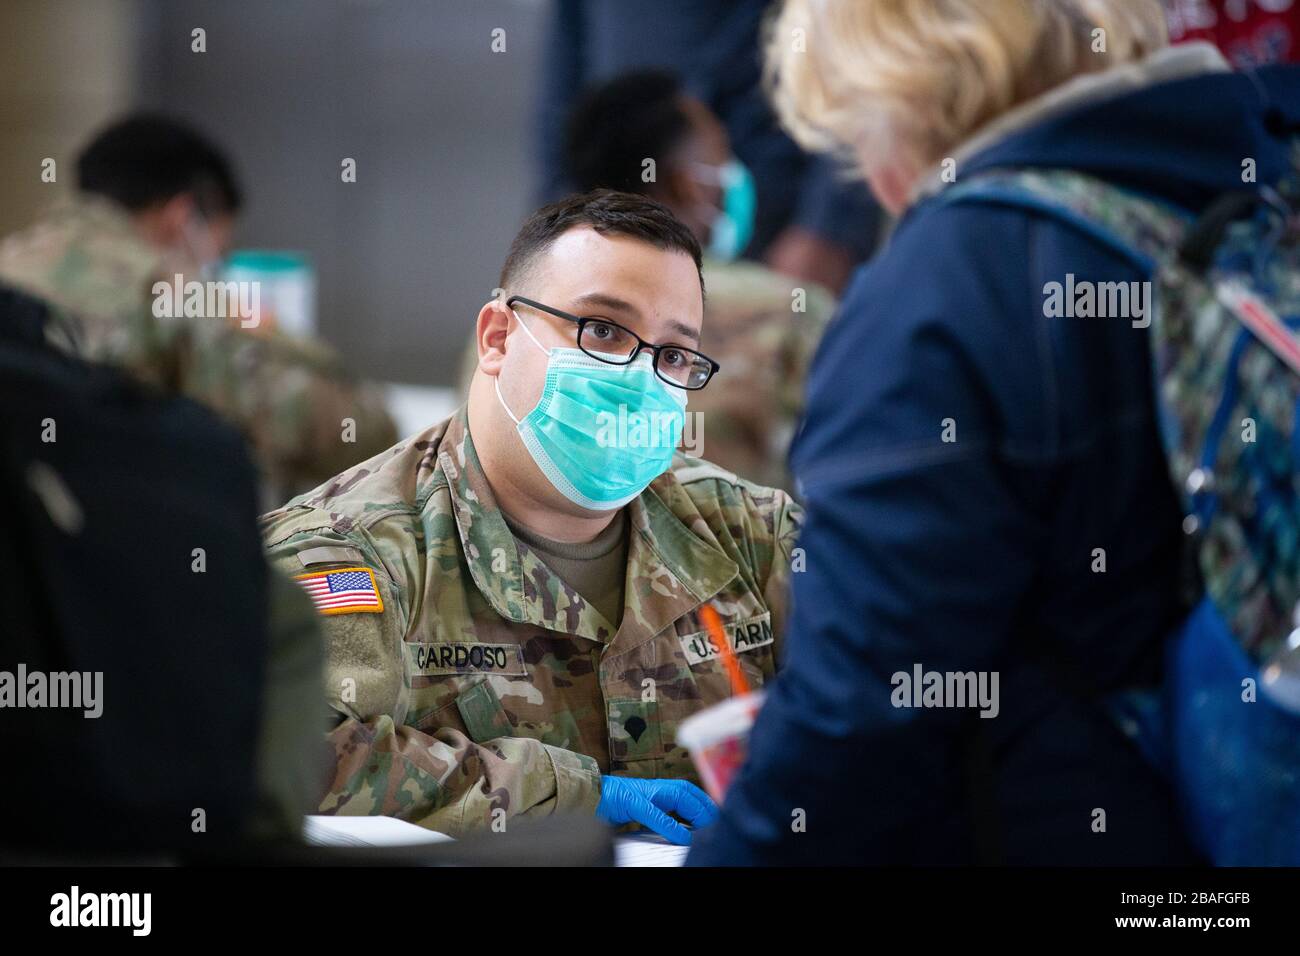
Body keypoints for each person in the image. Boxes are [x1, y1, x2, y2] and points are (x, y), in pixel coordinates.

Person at [687, 0, 1300, 865]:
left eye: (853, 129)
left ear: (900, 89)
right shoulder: (1258, 176)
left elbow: (861, 716)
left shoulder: (949, 287)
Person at [261, 190, 802, 844]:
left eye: (672, 356)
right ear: (497, 337)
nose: (638, 376)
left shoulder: (752, 534)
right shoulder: (351, 549)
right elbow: (292, 750)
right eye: (602, 330)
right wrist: (565, 793)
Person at [463, 69, 835, 491]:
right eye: (603, 331)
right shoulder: (788, 313)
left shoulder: (519, 312)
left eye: (676, 356)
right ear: (689, 184)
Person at [0, 113, 398, 507]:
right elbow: (357, 430)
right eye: (218, 254)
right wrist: (265, 331)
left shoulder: (10, 264)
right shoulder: (170, 294)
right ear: (182, 217)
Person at [536, 0, 882, 294]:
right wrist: (558, 227)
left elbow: (851, 52)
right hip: (616, 216)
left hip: (786, 233)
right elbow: (565, 70)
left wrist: (828, 227)